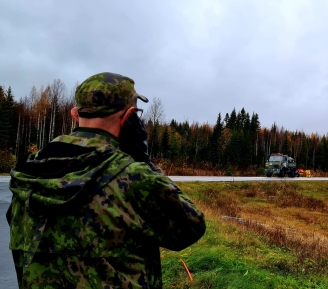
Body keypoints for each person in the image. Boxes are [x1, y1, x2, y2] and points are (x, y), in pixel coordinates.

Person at [7, 72, 206, 288]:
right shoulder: (133, 176)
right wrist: (144, 161)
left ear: (75, 115)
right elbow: (190, 228)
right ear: (129, 116)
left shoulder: (29, 173)